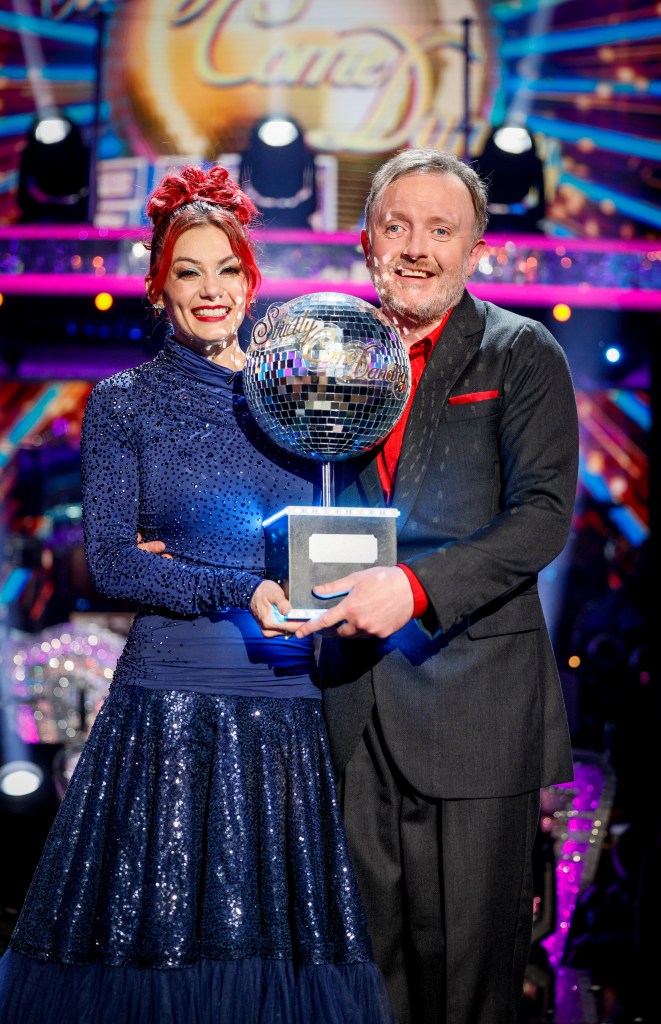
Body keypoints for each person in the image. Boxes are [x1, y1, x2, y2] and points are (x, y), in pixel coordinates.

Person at [0, 165, 394, 1024]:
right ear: (158, 286)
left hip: (287, 704)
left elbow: (329, 539)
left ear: (252, 280)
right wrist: (240, 584)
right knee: (161, 952)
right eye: (188, 271)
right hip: (168, 705)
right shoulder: (122, 404)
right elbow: (114, 564)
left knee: (273, 964)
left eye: (226, 269)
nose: (210, 289)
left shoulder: (296, 399)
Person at [293, 148, 580, 1024]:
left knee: (467, 988)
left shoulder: (519, 352)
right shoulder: (322, 352)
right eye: (397, 226)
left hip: (473, 711)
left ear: (474, 246)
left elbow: (541, 518)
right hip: (347, 707)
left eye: (440, 229)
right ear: (367, 240)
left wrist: (414, 589)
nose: (416, 247)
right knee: (358, 979)